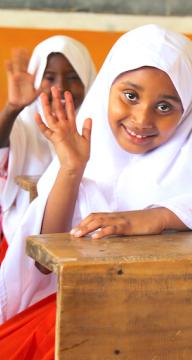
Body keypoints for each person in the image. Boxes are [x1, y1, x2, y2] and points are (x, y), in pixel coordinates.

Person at [0, 24, 192, 358]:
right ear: (108, 88)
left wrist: (156, 217)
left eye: (164, 107)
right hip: (83, 309)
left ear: (186, 108)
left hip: (176, 319)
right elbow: (42, 265)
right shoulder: (84, 144)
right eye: (130, 96)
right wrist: (71, 170)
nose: (141, 119)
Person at [0, 36, 96, 264]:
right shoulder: (22, 123)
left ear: (90, 80)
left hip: (85, 241)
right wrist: (12, 108)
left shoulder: (97, 126)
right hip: (22, 240)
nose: (61, 87)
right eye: (49, 77)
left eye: (73, 78)